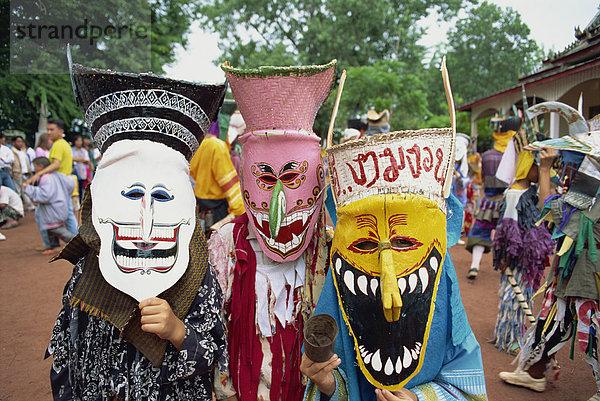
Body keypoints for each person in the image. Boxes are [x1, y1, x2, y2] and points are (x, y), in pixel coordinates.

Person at [301, 62, 487, 401]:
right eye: (365, 243)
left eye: (404, 242)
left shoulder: (442, 283)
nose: (389, 286)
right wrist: (329, 384)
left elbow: (465, 384)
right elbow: (337, 382)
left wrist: (422, 398)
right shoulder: (340, 290)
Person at [46, 56, 228, 400]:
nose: (145, 222)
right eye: (129, 194)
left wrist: (177, 331)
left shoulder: (197, 278)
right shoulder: (88, 275)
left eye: (162, 196)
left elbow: (211, 353)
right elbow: (66, 359)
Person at [209, 60, 336, 401]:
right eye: (265, 180)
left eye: (293, 178)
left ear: (319, 179)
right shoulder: (224, 244)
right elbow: (213, 332)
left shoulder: (330, 248)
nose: (280, 201)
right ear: (246, 177)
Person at [491, 143, 554, 355]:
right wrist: (503, 256)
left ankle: (516, 334)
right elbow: (506, 229)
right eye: (539, 167)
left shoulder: (532, 190)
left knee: (524, 296)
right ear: (529, 166)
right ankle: (510, 339)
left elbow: (545, 210)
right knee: (513, 297)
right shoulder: (514, 194)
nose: (542, 172)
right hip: (516, 257)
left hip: (530, 257)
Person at [465, 114, 520, 279]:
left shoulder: (487, 155)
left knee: (480, 232)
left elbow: (482, 180)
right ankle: (509, 268)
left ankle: (474, 266)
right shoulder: (517, 155)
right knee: (511, 235)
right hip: (511, 202)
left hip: (488, 202)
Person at [25, 118, 78, 235]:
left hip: (60, 182)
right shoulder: (63, 144)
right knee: (68, 212)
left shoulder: (58, 145)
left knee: (62, 213)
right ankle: (73, 239)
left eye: (51, 130)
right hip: (65, 181)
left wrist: (38, 174)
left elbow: (56, 164)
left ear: (60, 131)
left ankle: (72, 240)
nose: (48, 132)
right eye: (48, 130)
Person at [189, 118, 245, 229]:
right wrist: (240, 208)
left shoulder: (196, 145)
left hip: (199, 205)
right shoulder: (216, 146)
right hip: (217, 210)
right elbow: (227, 180)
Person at [23, 157, 75, 255]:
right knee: (52, 228)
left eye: (34, 166)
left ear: (40, 166)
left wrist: (28, 189)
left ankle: (77, 243)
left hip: (52, 209)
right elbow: (70, 184)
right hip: (59, 205)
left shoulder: (46, 178)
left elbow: (44, 195)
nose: (34, 169)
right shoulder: (58, 175)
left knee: (55, 229)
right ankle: (55, 246)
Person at [11, 136, 35, 210]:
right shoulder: (12, 151)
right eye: (18, 141)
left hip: (25, 173)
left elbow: (27, 162)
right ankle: (18, 208)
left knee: (25, 190)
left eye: (21, 141)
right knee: (18, 191)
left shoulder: (23, 151)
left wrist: (29, 172)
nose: (20, 143)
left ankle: (29, 206)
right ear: (14, 142)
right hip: (17, 173)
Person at [71, 134, 93, 202]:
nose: (79, 142)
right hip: (74, 172)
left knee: (81, 190)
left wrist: (77, 159)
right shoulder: (71, 150)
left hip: (82, 173)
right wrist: (81, 159)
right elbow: (71, 158)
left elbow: (86, 160)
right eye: (77, 140)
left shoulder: (84, 150)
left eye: (80, 141)